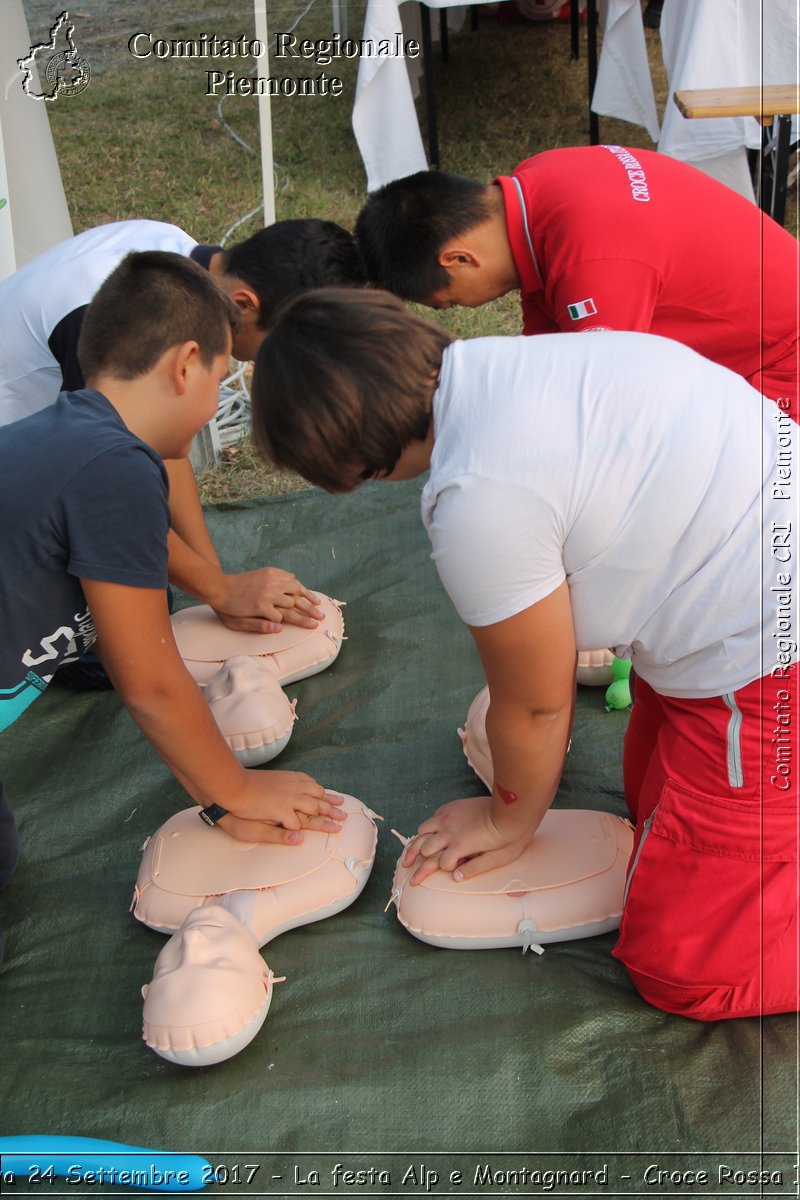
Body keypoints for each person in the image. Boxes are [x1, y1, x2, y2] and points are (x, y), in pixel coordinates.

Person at [249, 287, 799, 1022]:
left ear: (359, 465)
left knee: (687, 971)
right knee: (649, 808)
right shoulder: (510, 365)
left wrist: (508, 822)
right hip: (739, 596)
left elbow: (537, 704)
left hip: (769, 657)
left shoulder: (479, 496)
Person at [0, 253, 346, 965]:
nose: (218, 399)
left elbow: (127, 548)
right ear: (187, 364)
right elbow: (152, 683)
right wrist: (236, 790)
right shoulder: (113, 468)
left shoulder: (87, 446)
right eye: (222, 380)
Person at [0, 218, 366, 650]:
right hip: (21, 483)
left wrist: (218, 585)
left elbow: (158, 445)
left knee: (157, 595)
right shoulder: (107, 312)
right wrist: (220, 590)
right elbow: (106, 489)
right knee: (113, 647)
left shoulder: (183, 265)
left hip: (58, 455)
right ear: (245, 305)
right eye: (285, 351)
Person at [355, 147, 799, 418]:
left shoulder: (593, 266)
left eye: (448, 303)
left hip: (783, 361)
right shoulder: (537, 181)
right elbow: (549, 359)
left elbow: (614, 414)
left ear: (458, 258)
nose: (463, 310)